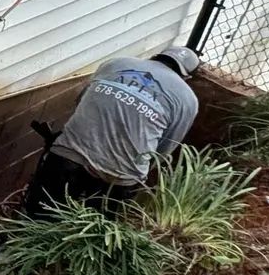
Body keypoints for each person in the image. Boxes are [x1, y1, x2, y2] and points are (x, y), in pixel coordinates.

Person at [21, 46, 201, 216]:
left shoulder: (115, 63)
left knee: (40, 212)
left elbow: (81, 102)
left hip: (69, 154)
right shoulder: (188, 99)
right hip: (121, 174)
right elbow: (167, 146)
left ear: (155, 56)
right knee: (94, 230)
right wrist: (139, 170)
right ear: (187, 78)